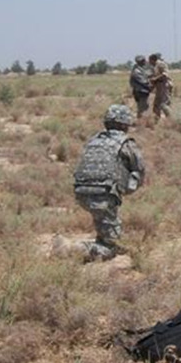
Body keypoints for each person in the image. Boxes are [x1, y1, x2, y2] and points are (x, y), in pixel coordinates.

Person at [73, 105, 145, 262]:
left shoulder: (94, 140)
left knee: (104, 224)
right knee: (112, 242)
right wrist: (127, 187)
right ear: (124, 124)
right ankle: (75, 250)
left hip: (81, 192)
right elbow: (139, 168)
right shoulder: (125, 143)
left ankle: (101, 241)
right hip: (104, 194)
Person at [148, 53, 173, 121]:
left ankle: (171, 120)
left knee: (164, 104)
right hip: (159, 87)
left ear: (153, 60)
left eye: (149, 61)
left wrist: (155, 79)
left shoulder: (161, 64)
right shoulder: (154, 66)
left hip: (164, 86)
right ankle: (156, 121)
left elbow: (165, 74)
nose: (149, 62)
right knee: (156, 105)